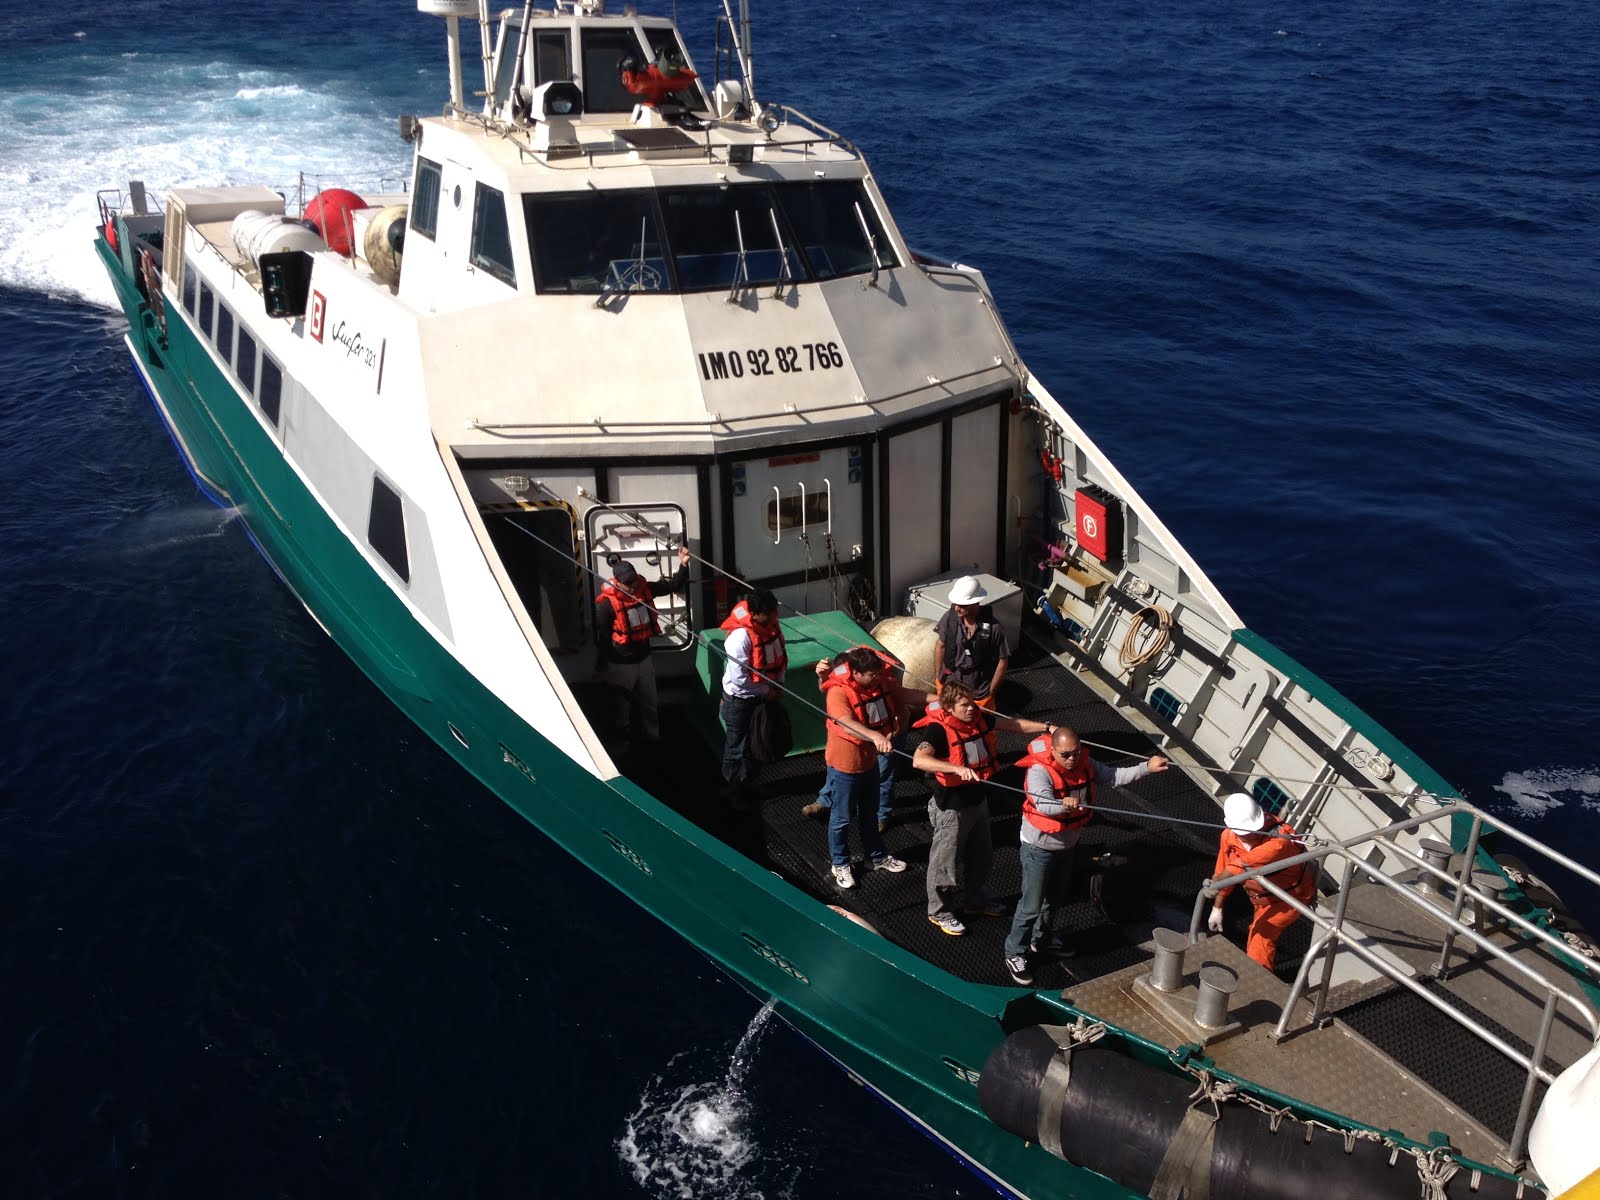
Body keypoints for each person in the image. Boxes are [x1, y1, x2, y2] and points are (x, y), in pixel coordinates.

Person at [1001, 726, 1170, 985]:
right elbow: (1042, 802)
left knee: (1055, 898)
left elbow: (1114, 775)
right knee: (1031, 904)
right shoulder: (1039, 772)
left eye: (1076, 753)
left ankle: (1042, 939)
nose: (1072, 759)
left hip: (1067, 846)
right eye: (1066, 754)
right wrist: (1062, 804)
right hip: (1040, 848)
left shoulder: (1084, 762)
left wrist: (1147, 766)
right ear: (1053, 751)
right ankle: (1014, 951)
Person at [912, 682, 1050, 936]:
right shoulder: (937, 731)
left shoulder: (977, 719)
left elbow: (1013, 725)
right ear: (949, 707)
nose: (971, 708)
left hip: (978, 802)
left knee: (982, 855)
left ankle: (974, 900)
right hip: (952, 808)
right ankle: (939, 911)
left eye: (972, 703)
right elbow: (919, 760)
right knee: (945, 863)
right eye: (964, 705)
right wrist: (956, 768)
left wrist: (1047, 727)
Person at [803, 646, 927, 832]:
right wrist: (822, 677)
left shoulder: (881, 681)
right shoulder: (845, 683)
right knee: (838, 770)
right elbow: (830, 691)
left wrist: (892, 733)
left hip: (888, 734)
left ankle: (881, 816)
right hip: (862, 738)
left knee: (883, 776)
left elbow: (908, 699)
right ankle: (825, 801)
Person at [817, 646, 909, 889]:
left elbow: (905, 697)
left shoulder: (879, 685)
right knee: (842, 818)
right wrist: (877, 737)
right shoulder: (838, 692)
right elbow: (846, 723)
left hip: (869, 763)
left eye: (878, 674)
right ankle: (840, 863)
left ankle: (876, 857)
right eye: (871, 675)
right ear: (856, 673)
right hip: (845, 765)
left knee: (870, 812)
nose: (876, 678)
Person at [592, 544, 691, 747]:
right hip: (621, 664)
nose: (634, 585)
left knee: (650, 703)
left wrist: (683, 565)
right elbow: (603, 638)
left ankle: (652, 740)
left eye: (634, 579)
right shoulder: (606, 606)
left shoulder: (645, 589)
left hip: (644, 660)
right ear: (617, 583)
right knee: (621, 708)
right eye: (628, 583)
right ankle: (622, 747)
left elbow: (673, 586)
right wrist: (601, 668)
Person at [1205, 792, 1318, 971]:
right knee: (1255, 934)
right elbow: (1223, 868)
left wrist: (1216, 882)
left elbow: (1241, 865)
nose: (1252, 835)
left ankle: (1258, 984)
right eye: (1246, 832)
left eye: (1253, 830)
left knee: (1261, 935)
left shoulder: (1280, 840)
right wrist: (1217, 907)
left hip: (1289, 899)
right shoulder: (1229, 837)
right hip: (1261, 900)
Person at [719, 589, 787, 805]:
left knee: (758, 741)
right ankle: (732, 790)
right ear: (755, 614)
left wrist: (780, 683)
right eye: (768, 614)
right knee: (736, 746)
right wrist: (769, 692)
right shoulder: (740, 638)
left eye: (774, 612)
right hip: (740, 700)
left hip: (763, 695)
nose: (773, 617)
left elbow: (781, 657)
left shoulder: (772, 626)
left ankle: (751, 784)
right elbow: (740, 681)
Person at [933, 576, 1010, 707]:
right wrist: (938, 678)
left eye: (962, 605)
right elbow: (940, 646)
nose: (956, 608)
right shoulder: (950, 618)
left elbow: (1002, 662)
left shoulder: (994, 628)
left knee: (981, 723)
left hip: (979, 689)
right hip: (950, 683)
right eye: (956, 603)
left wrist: (991, 692)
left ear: (976, 603)